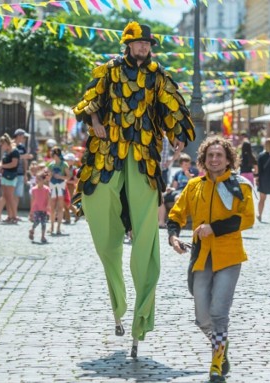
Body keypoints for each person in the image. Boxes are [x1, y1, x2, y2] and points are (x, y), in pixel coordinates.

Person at [72, 21, 195, 358]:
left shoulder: (157, 75)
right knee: (102, 222)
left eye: (147, 43)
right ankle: (117, 302)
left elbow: (172, 106)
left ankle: (141, 315)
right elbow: (88, 101)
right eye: (139, 43)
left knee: (146, 234)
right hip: (107, 154)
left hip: (142, 156)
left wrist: (177, 132)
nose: (144, 47)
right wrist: (94, 121)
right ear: (128, 45)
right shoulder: (109, 71)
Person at [167, 136, 254, 383]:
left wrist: (213, 228)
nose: (214, 159)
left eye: (219, 155)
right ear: (203, 159)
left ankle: (216, 365)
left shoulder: (241, 186)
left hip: (229, 256)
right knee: (202, 317)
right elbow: (176, 214)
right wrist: (173, 237)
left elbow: (246, 218)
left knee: (218, 313)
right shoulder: (194, 185)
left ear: (228, 160)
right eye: (210, 156)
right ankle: (221, 347)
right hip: (201, 257)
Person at [158, 153, 197, 228]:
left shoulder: (193, 171)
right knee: (160, 197)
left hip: (187, 191)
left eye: (188, 164)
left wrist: (189, 177)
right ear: (181, 165)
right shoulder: (178, 173)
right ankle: (161, 222)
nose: (188, 166)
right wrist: (170, 189)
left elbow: (195, 184)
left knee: (178, 197)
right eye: (185, 165)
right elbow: (175, 187)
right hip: (178, 191)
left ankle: (179, 222)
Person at [0, 133, 20, 224]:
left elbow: (14, 164)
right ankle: (10, 216)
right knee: (6, 196)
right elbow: (2, 161)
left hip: (12, 176)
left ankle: (14, 216)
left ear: (6, 143)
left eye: (1, 144)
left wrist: (2, 166)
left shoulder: (15, 151)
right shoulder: (6, 152)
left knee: (10, 197)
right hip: (5, 175)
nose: (1, 146)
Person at [47, 147, 69, 235]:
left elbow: (68, 176)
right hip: (52, 185)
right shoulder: (51, 165)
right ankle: (52, 226)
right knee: (52, 207)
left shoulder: (64, 165)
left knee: (60, 207)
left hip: (61, 185)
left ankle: (58, 227)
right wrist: (49, 175)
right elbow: (47, 176)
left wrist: (60, 177)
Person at [29, 171, 51, 244]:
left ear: (43, 180)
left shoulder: (46, 189)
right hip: (36, 208)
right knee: (37, 221)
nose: (37, 181)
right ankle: (32, 229)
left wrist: (48, 206)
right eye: (36, 179)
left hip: (44, 209)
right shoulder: (34, 189)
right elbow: (32, 200)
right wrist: (31, 211)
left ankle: (43, 236)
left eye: (39, 179)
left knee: (43, 223)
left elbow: (48, 199)